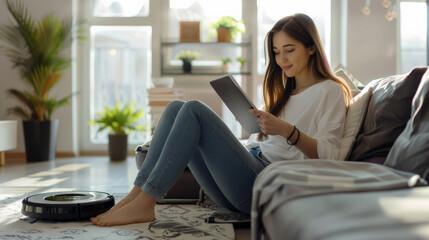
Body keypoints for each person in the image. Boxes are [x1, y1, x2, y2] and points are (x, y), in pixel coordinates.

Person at [91, 13, 351, 227]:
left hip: (265, 185)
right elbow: (266, 141)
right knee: (175, 108)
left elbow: (330, 155)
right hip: (245, 175)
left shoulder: (330, 91)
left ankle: (147, 202)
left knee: (193, 109)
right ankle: (137, 195)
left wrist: (286, 130)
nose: (281, 59)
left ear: (312, 47)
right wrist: (256, 129)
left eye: (290, 50)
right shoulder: (284, 92)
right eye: (276, 52)